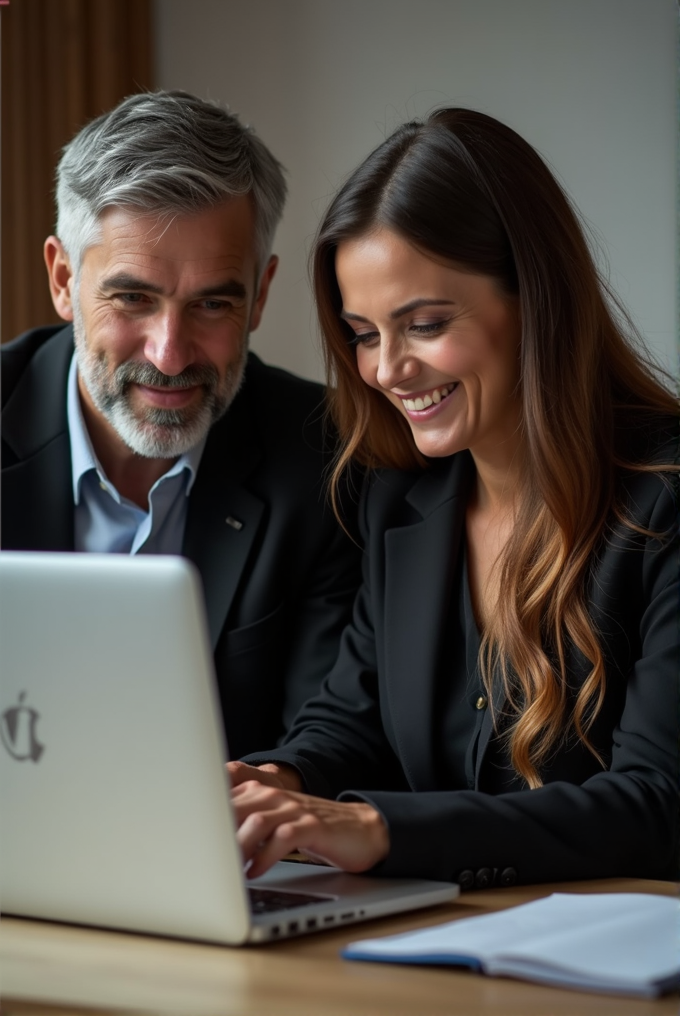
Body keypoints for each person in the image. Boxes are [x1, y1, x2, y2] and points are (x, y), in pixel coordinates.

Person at [229, 108, 679, 888]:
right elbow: (351, 720)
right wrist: (278, 785)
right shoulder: (400, 503)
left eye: (425, 324)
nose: (389, 370)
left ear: (535, 296)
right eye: (365, 334)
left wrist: (379, 828)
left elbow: (657, 805)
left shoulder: (665, 499)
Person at [1, 90, 362, 759]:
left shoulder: (325, 457)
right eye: (132, 298)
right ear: (62, 278)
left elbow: (327, 739)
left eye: (212, 304)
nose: (170, 353)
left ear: (260, 294)